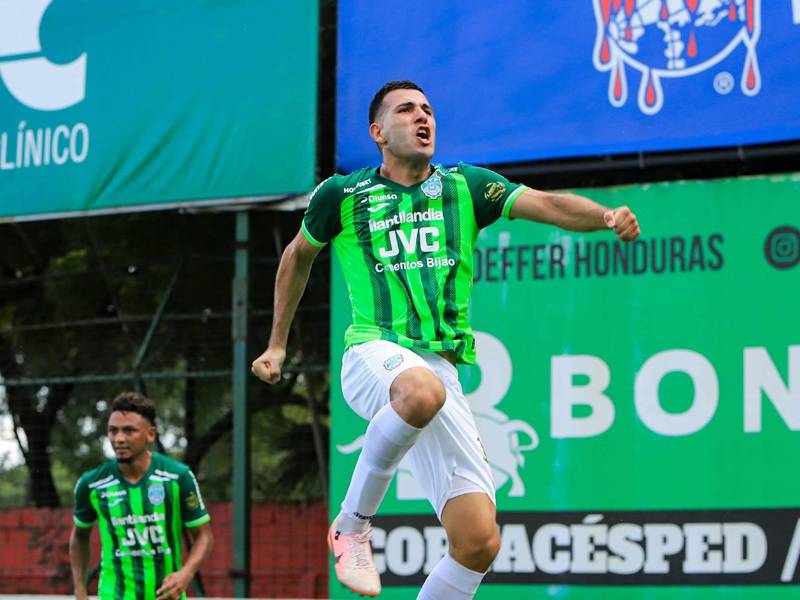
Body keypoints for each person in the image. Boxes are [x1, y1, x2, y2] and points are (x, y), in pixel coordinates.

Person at [251, 80, 640, 599]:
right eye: (407, 109)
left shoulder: (468, 186)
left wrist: (605, 217)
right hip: (373, 353)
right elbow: (297, 256)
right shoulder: (342, 194)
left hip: (440, 370)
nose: (423, 117)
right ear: (378, 132)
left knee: (478, 541)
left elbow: (546, 204)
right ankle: (352, 526)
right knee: (420, 392)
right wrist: (276, 345)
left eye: (428, 109)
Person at [69, 392, 214, 600]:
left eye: (129, 431)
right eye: (113, 431)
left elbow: (204, 536)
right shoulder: (92, 484)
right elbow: (79, 536)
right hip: (114, 595)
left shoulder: (177, 477)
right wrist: (80, 590)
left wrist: (185, 574)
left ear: (151, 434)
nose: (119, 439)